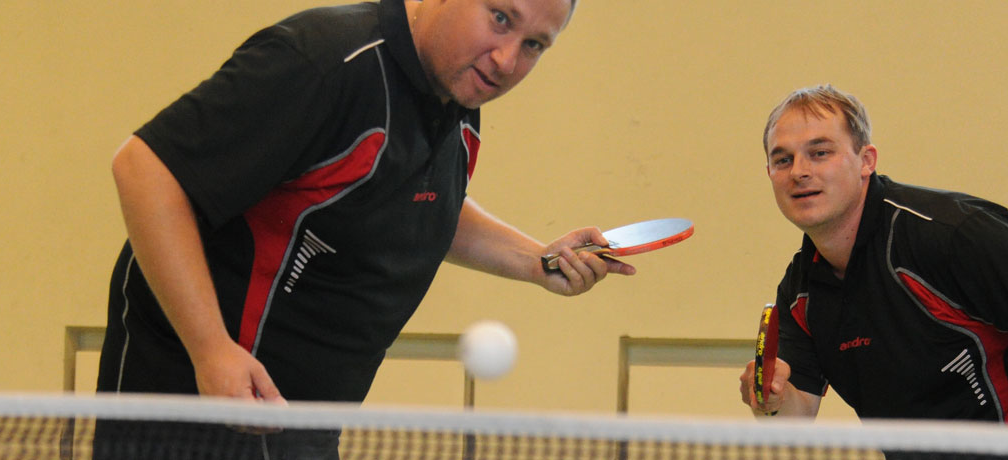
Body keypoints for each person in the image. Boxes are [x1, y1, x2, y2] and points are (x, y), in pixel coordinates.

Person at [96, 0, 621, 458]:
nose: (507, 60)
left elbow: (412, 200)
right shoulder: (322, 64)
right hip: (193, 411)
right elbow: (146, 170)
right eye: (500, 18)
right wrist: (210, 350)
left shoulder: (454, 92)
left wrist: (537, 260)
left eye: (533, 44)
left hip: (301, 423)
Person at [738, 85, 1008, 429]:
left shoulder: (949, 235)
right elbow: (797, 417)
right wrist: (772, 399)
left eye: (820, 152)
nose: (799, 172)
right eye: (783, 159)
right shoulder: (802, 289)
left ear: (866, 161)